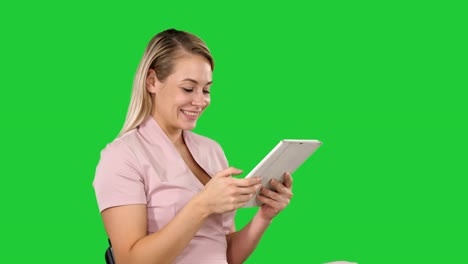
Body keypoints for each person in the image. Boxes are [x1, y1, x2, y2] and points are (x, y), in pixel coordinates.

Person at [93, 28, 294, 264]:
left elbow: (225, 254)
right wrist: (202, 205)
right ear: (152, 82)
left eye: (206, 89)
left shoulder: (211, 151)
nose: (201, 101)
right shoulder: (122, 157)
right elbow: (130, 260)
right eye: (188, 88)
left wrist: (264, 216)